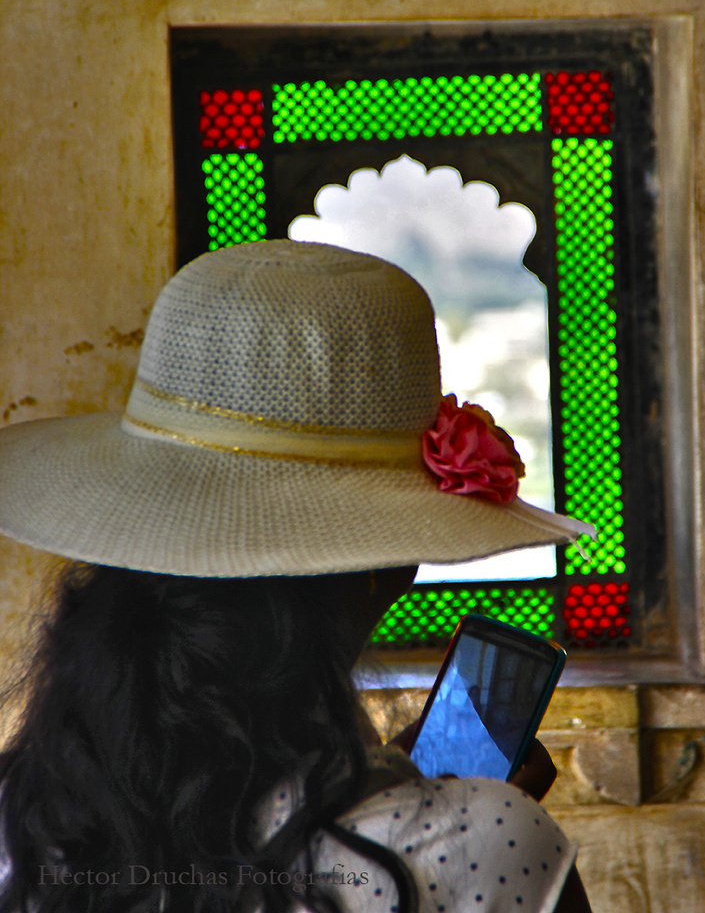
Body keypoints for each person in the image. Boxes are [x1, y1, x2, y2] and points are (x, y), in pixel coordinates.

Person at [0, 240, 594, 913]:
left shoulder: (27, 813)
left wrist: (382, 775)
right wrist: (454, 816)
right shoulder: (481, 844)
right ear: (395, 561)